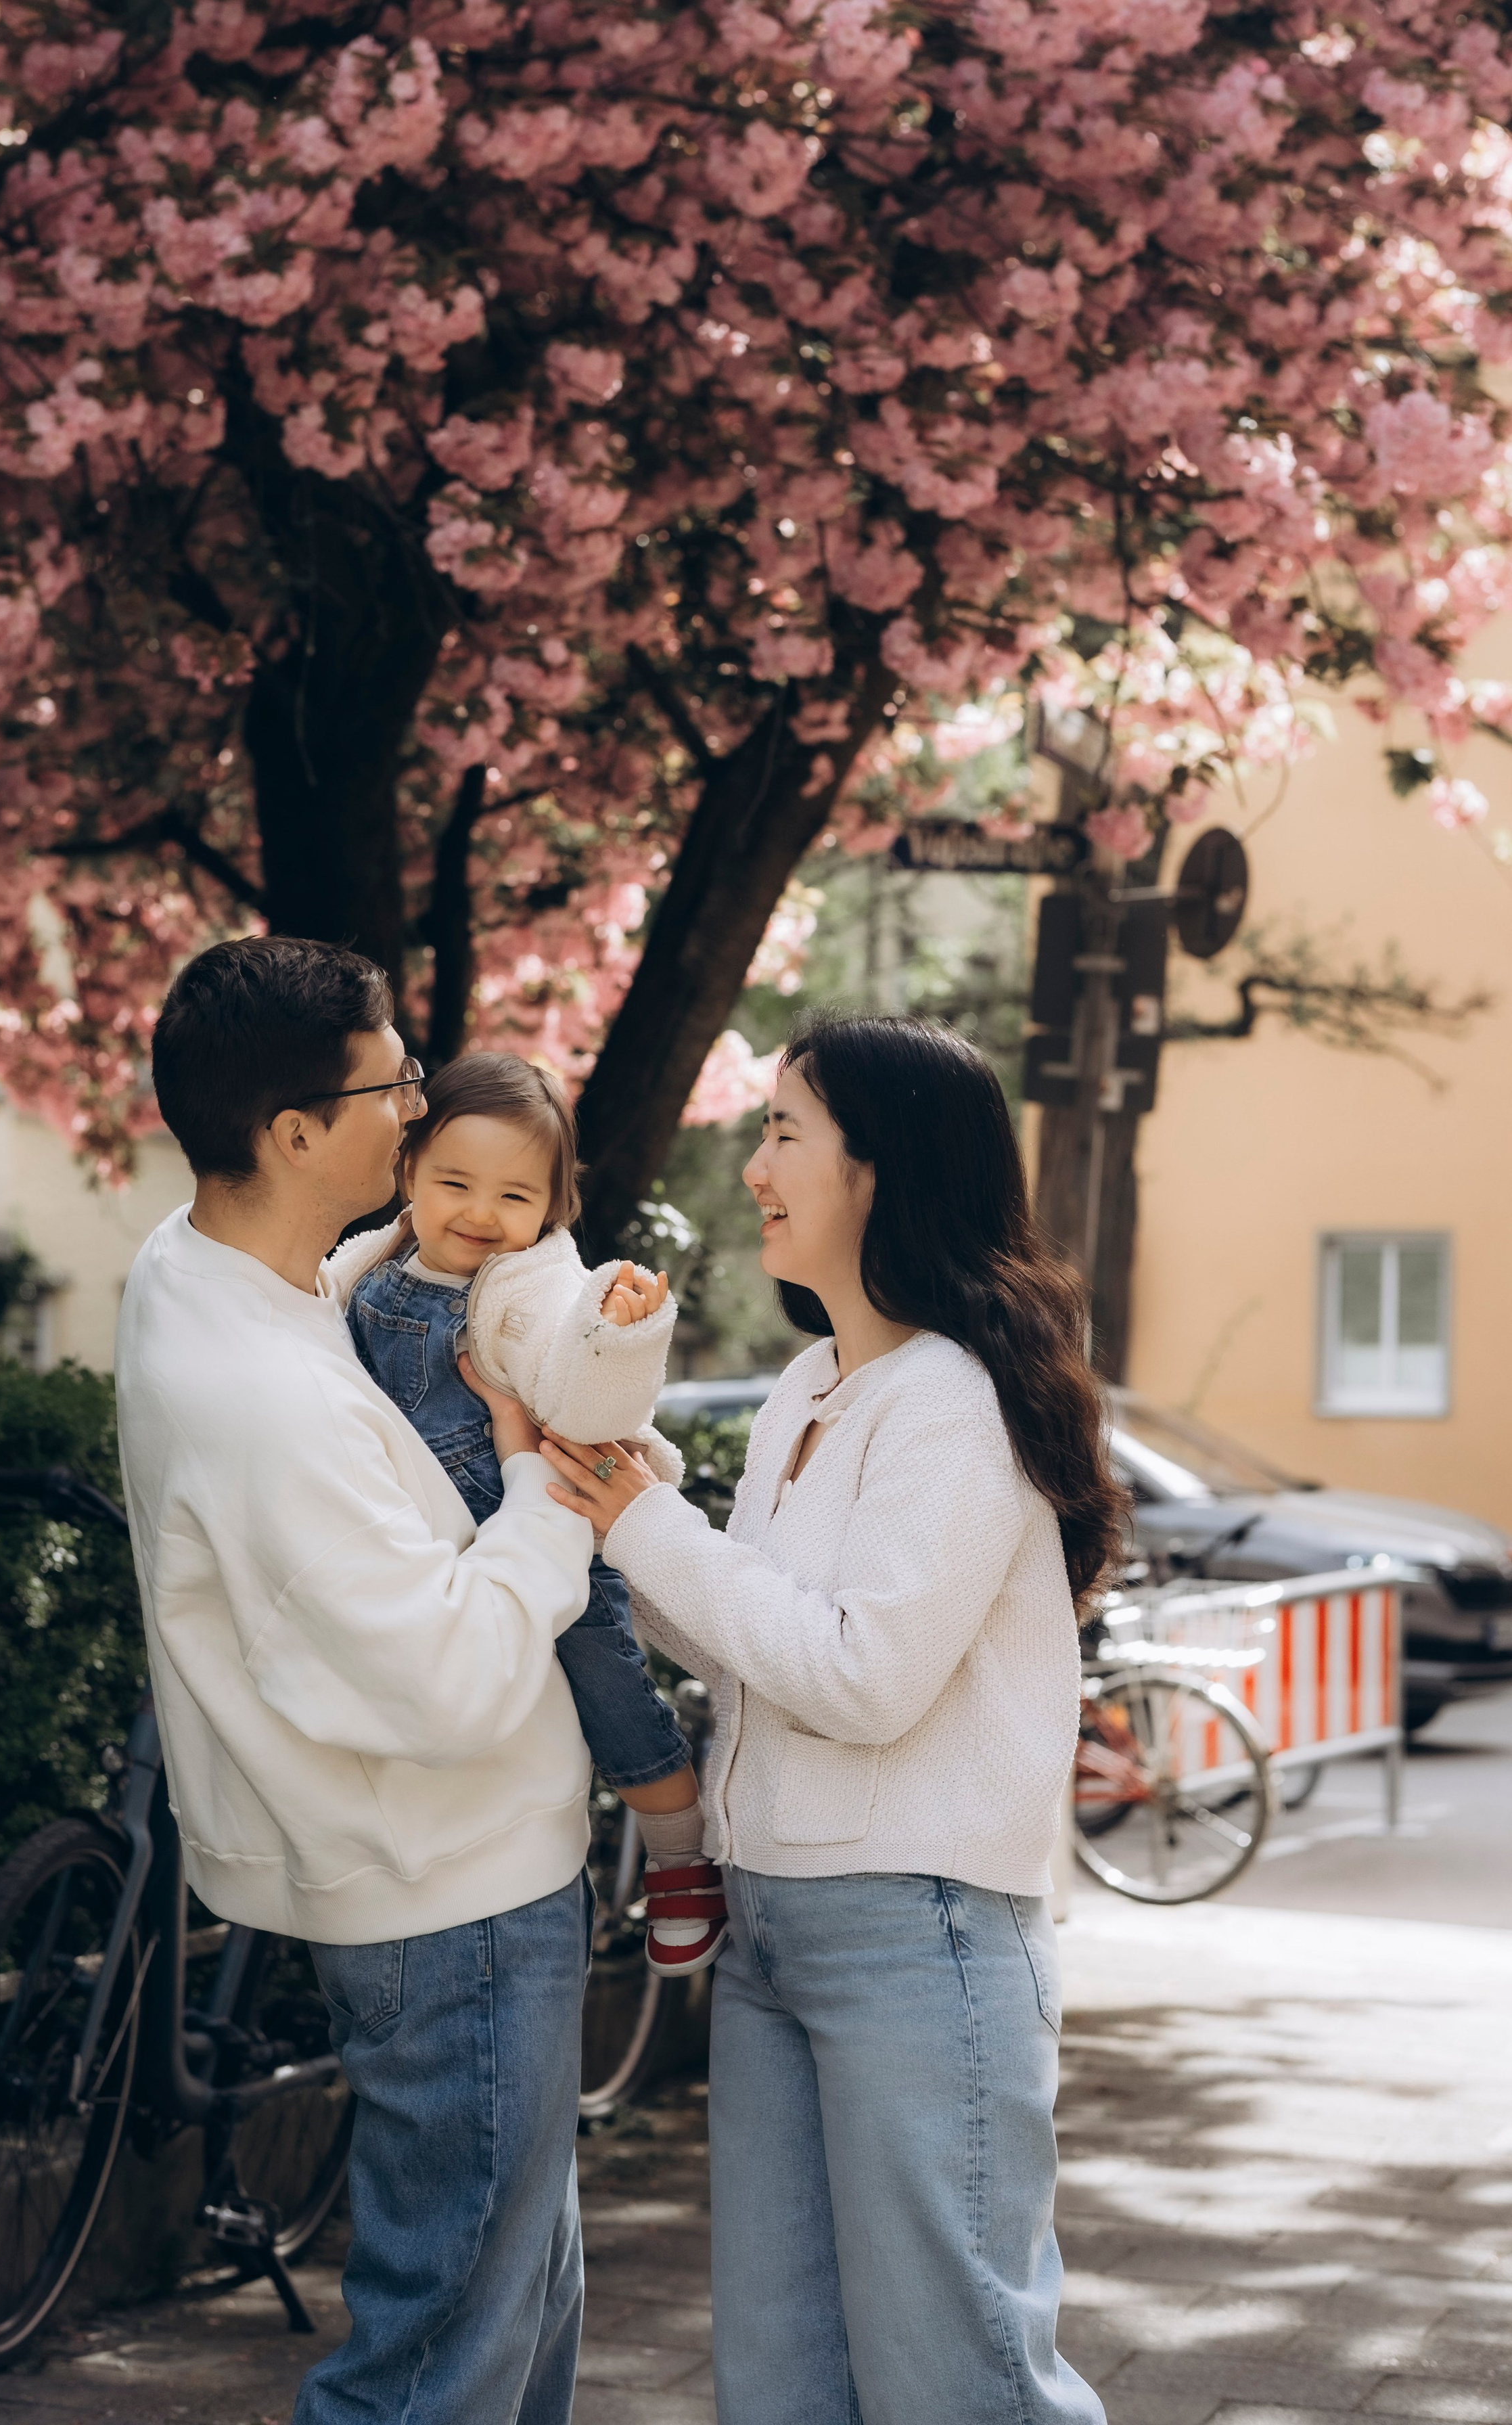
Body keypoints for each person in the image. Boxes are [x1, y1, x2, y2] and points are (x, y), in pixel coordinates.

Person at [538, 1012, 1125, 2425]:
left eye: (783, 1129)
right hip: (778, 1930)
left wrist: (652, 1525)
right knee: (783, 2376)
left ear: (879, 1168)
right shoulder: (818, 1382)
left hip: (916, 1933)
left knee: (958, 2376)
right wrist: (625, 1502)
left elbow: (863, 1675)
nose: (755, 1164)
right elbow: (746, 1638)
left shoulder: (953, 1401)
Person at [114, 937, 596, 2425]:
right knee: (437, 2355)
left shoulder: (207, 1269)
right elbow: (449, 1678)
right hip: (447, 1889)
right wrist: (544, 1495)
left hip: (439, 1875)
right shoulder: (259, 1397)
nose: (416, 1109)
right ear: (294, 1132)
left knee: (511, 2315)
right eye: (390, 1084)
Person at [329, 1047, 727, 1976]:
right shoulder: (373, 1260)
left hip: (549, 1514)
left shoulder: (529, 1291)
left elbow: (583, 1399)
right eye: (454, 1182)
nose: (479, 1214)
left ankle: (679, 1854)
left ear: (552, 1208)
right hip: (432, 1529)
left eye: (514, 1197)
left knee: (610, 1685)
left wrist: (611, 1338)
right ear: (410, 1172)